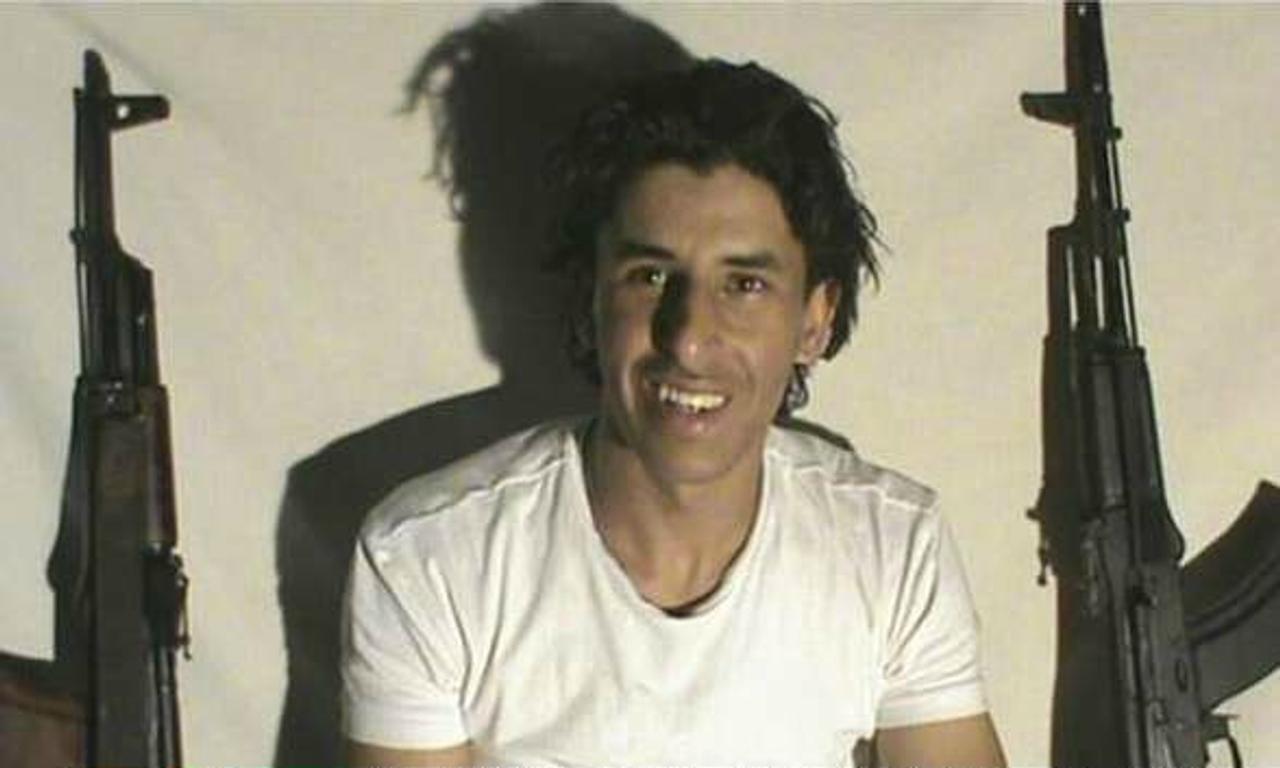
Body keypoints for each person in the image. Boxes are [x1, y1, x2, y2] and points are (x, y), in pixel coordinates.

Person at [342, 58, 1006, 768]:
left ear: (814, 320)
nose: (689, 338)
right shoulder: (428, 559)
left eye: (744, 284)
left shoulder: (890, 546)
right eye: (651, 277)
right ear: (590, 299)